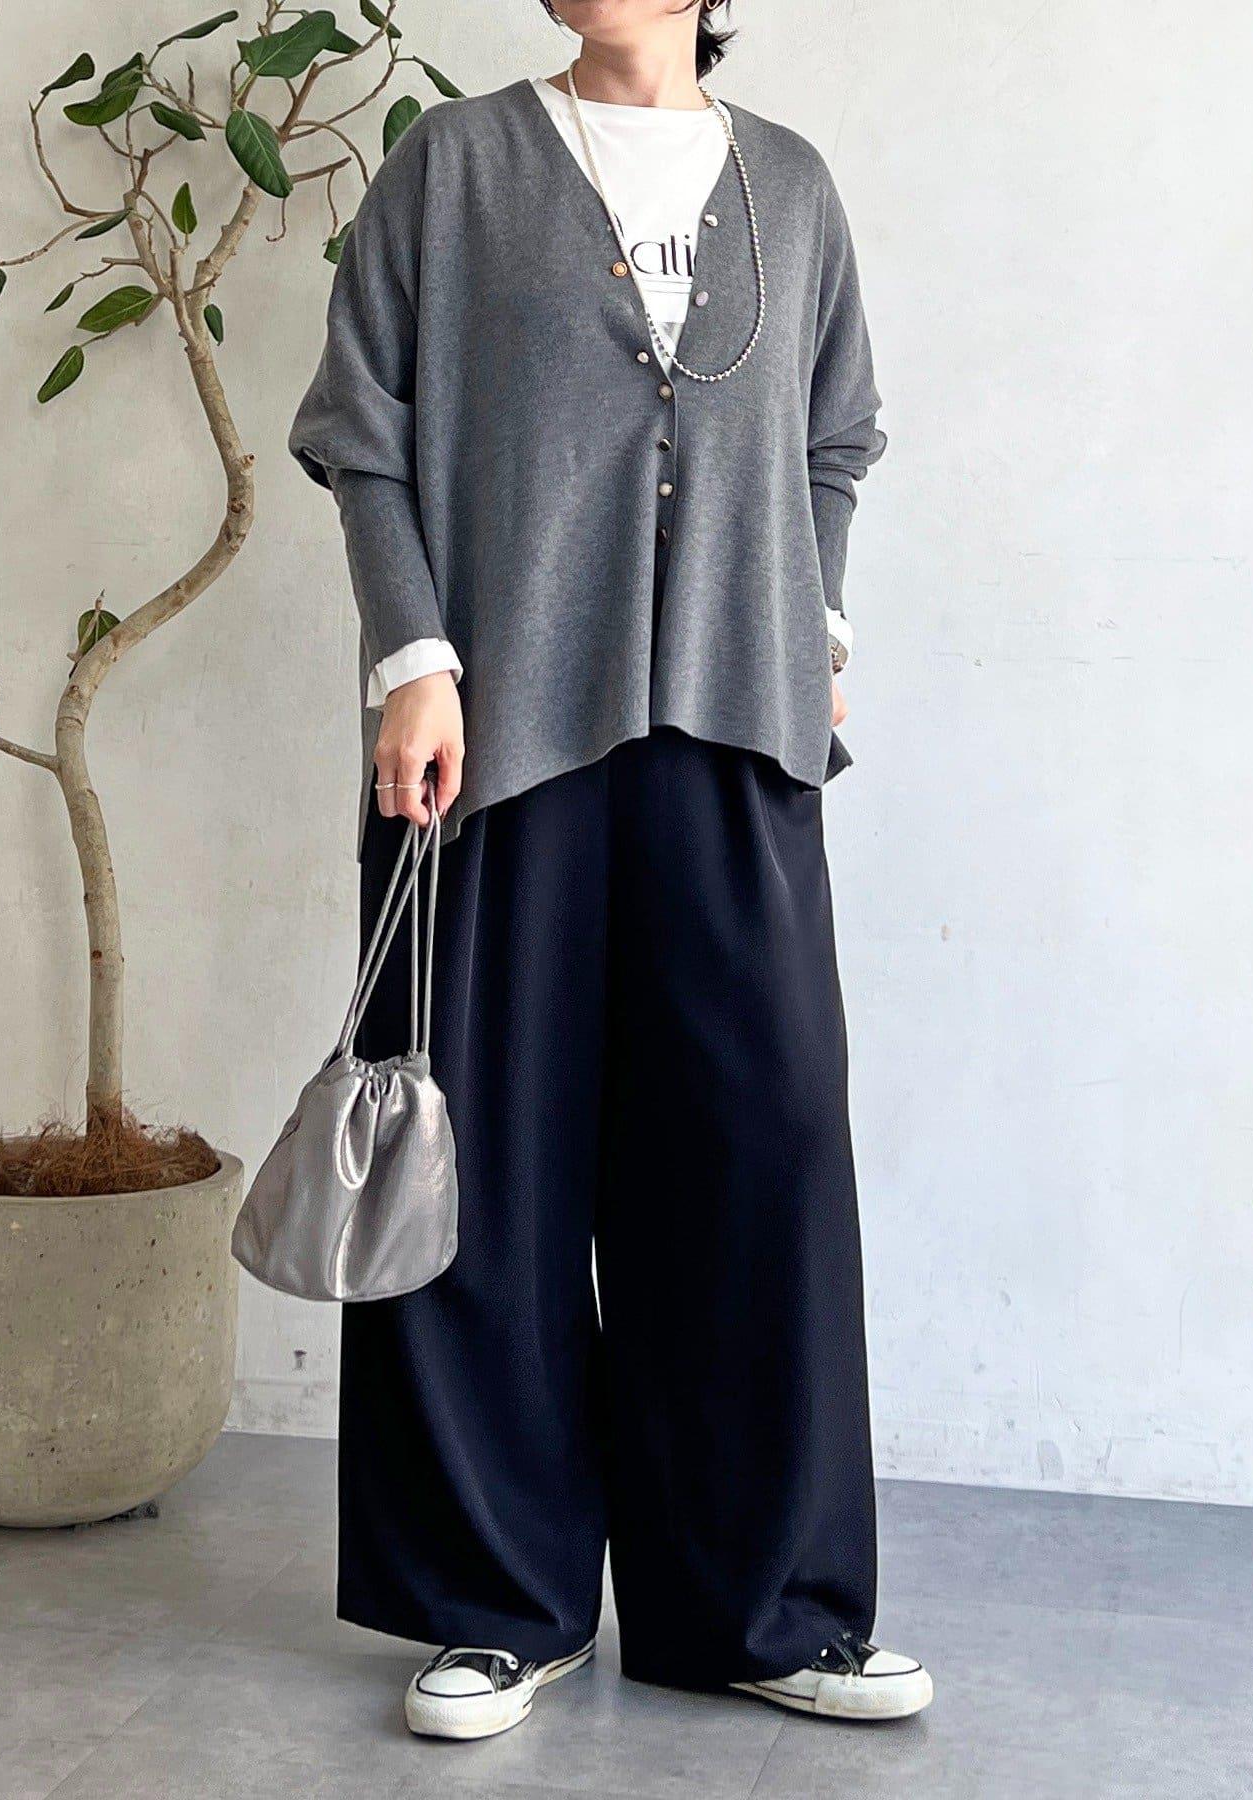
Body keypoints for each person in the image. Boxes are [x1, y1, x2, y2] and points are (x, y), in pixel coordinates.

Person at [288, 0, 932, 1742]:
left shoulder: (791, 186)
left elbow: (837, 437)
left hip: (737, 724)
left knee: (759, 1154)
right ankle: (496, 1601)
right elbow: (360, 429)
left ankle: (766, 1607)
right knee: (486, 1159)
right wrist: (410, 656)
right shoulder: (456, 166)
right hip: (500, 731)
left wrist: (813, 622)